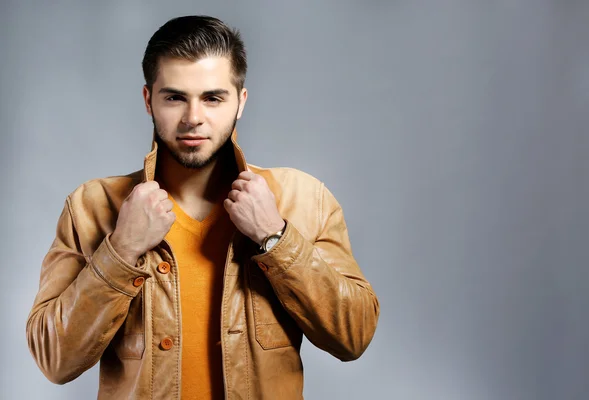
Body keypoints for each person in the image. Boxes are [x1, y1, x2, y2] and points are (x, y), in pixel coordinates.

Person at [26, 15, 380, 400]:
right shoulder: (92, 206)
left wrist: (276, 238)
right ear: (149, 100)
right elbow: (54, 359)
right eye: (175, 97)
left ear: (240, 102)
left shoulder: (303, 199)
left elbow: (354, 336)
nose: (193, 118)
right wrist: (121, 250)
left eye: (213, 98)